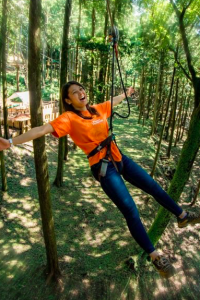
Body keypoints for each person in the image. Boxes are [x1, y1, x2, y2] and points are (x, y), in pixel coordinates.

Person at [0, 80, 199, 278]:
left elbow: (113, 101)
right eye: (74, 92)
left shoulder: (96, 110)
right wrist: (11, 141)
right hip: (103, 167)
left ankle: (182, 216)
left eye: (81, 89)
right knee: (130, 209)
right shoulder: (68, 118)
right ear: (68, 100)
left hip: (119, 157)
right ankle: (155, 256)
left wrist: (126, 93)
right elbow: (42, 129)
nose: (80, 93)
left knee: (153, 186)